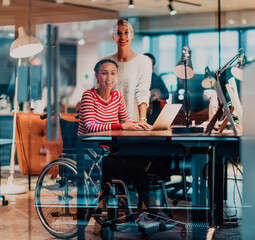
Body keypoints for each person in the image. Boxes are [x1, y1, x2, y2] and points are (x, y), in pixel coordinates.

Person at [78, 59, 155, 231]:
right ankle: (143, 215)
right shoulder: (88, 96)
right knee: (132, 168)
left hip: (111, 150)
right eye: (104, 73)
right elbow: (91, 126)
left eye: (113, 73)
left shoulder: (117, 96)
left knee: (139, 166)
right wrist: (120, 126)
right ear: (97, 76)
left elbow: (126, 122)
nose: (109, 77)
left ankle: (149, 214)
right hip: (92, 152)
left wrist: (139, 124)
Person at [101, 19, 151, 128]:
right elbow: (99, 93)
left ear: (132, 35)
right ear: (113, 36)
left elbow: (142, 91)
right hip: (109, 121)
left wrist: (142, 119)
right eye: (118, 33)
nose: (123, 37)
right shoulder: (105, 62)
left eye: (126, 32)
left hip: (133, 120)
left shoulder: (144, 61)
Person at [143, 53, 169, 124]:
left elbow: (166, 94)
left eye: (151, 64)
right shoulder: (135, 79)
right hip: (141, 112)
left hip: (155, 112)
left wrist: (159, 94)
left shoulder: (157, 79)